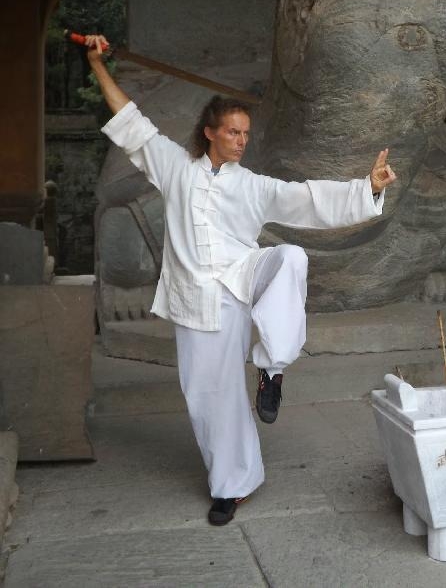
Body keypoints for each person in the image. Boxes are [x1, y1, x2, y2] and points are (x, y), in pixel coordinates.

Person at [84, 34, 397, 526]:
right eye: (233, 132)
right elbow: (130, 122)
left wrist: (367, 188)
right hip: (196, 298)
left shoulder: (251, 185)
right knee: (208, 396)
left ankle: (272, 369)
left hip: (242, 278)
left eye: (246, 134)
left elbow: (307, 198)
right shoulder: (174, 167)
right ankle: (232, 486)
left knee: (290, 256)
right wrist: (97, 65)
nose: (241, 141)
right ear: (209, 132)